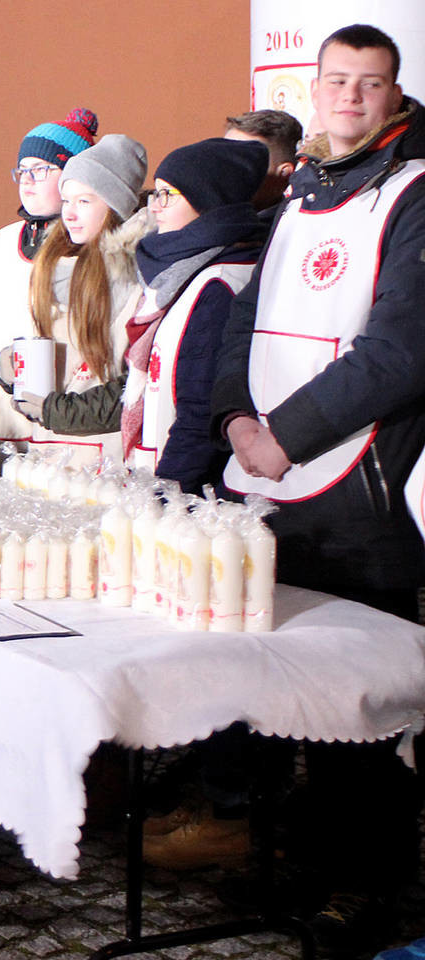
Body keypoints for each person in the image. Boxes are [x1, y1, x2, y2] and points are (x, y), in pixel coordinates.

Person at [211, 24, 425, 956]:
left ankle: (369, 886)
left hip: (358, 492)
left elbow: (402, 351)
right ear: (314, 88)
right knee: (288, 693)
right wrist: (233, 418)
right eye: (336, 80)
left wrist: (285, 435)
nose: (349, 97)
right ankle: (310, 856)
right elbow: (246, 322)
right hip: (268, 479)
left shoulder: (415, 195)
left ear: (394, 94)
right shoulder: (299, 189)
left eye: (368, 84)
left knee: (362, 706)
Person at [119, 137, 268, 494]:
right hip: (163, 475)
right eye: (155, 193)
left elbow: (200, 411)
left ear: (208, 200)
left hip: (192, 491)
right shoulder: (181, 271)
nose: (155, 207)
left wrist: (164, 496)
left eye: (168, 194)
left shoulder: (220, 283)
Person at [0, 134, 149, 469]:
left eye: (84, 201)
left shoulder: (139, 279)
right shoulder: (50, 266)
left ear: (115, 208)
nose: (70, 214)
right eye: (66, 201)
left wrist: (59, 411)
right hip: (46, 452)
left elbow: (135, 388)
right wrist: (7, 365)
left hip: (106, 463)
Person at [0, 109, 99, 471]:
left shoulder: (94, 253)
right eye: (22, 170)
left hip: (62, 436)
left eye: (41, 169)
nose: (28, 180)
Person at [222, 109, 304, 212]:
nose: (225, 168)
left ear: (285, 173)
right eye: (223, 156)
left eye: (242, 160)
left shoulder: (295, 220)